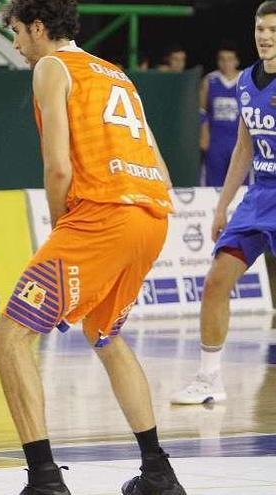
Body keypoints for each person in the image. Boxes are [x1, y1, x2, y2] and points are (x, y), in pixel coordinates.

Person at [0, 1, 185, 494]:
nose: (15, 44)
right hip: (152, 216)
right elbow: (160, 166)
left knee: (7, 338)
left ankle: (45, 481)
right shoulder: (116, 73)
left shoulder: (51, 67)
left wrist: (63, 231)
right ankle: (159, 473)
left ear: (38, 28)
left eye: (16, 32)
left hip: (102, 217)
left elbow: (59, 167)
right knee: (105, 334)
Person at [172, 1, 276, 406]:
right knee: (216, 280)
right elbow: (243, 148)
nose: (265, 36)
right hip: (259, 194)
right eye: (260, 29)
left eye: (272, 29)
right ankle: (209, 378)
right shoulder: (247, 81)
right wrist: (222, 205)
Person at [200, 42, 242, 187]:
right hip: (216, 140)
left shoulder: (245, 80)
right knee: (213, 183)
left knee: (240, 184)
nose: (226, 63)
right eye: (222, 59)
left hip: (239, 141)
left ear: (237, 61)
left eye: (230, 59)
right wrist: (204, 134)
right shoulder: (210, 80)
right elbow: (202, 110)